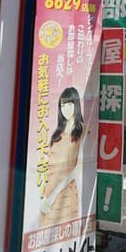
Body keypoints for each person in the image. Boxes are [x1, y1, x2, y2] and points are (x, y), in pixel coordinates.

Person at [40, 86, 84, 225]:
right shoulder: (58, 132)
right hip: (49, 191)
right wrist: (45, 195)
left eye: (69, 104)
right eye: (63, 105)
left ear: (76, 104)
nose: (66, 109)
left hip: (65, 192)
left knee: (61, 228)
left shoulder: (82, 131)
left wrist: (53, 196)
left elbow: (77, 168)